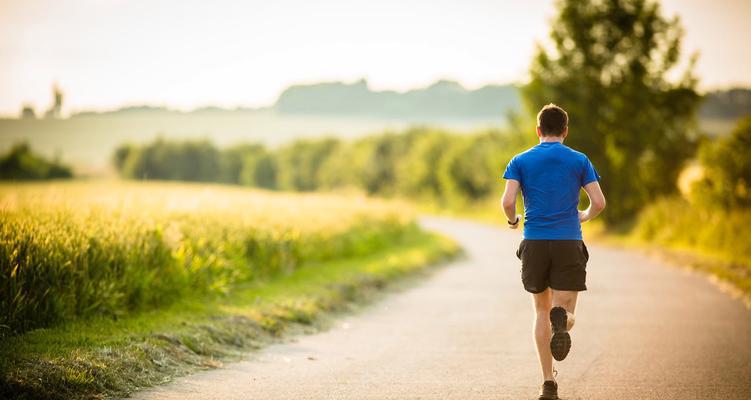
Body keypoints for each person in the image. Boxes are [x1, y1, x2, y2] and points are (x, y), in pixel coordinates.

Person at [501, 104, 606, 400]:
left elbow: (508, 201)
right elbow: (598, 202)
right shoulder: (579, 160)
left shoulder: (520, 160)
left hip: (534, 242)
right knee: (565, 312)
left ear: (537, 131)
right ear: (565, 131)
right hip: (567, 241)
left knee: (540, 311)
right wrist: (583, 216)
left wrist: (513, 221)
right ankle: (565, 322)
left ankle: (548, 382)